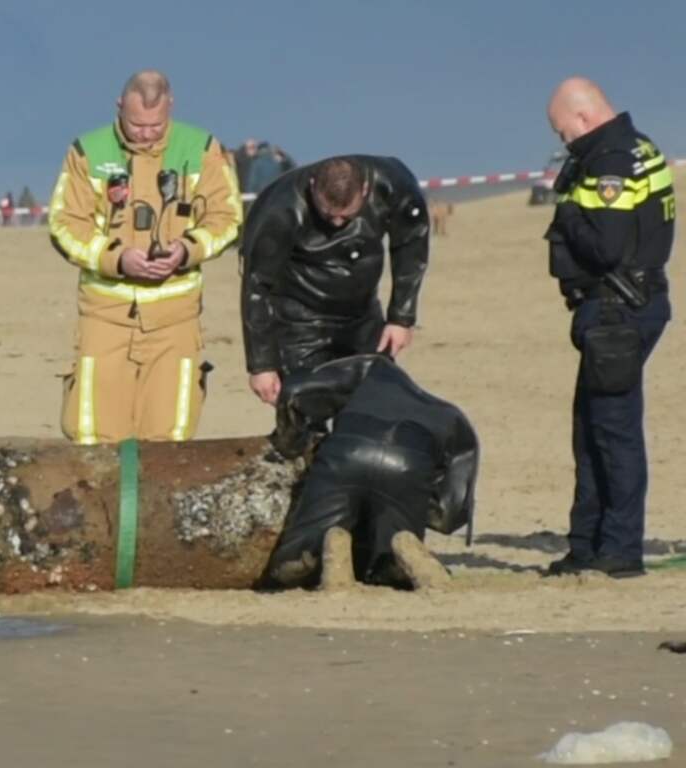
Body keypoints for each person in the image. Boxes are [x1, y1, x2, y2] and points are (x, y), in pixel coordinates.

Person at [47, 69, 242, 444]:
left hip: (176, 318)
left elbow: (228, 218)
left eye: (156, 125)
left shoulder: (201, 148)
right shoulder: (87, 151)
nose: (146, 134)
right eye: (136, 124)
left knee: (169, 441)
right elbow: (64, 225)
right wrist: (117, 259)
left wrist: (187, 250)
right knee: (93, 437)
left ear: (171, 107)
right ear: (119, 107)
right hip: (106, 315)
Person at [543, 77, 674, 578]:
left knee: (613, 432)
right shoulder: (634, 147)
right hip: (622, 309)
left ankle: (619, 552)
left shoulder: (613, 160)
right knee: (590, 429)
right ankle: (587, 545)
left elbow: (607, 247)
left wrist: (569, 211)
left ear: (582, 118)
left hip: (619, 312)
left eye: (562, 132)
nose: (563, 142)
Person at [262, 354, 478, 589]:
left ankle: (321, 551)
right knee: (386, 559)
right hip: (409, 463)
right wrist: (417, 504)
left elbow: (294, 392)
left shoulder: (372, 369)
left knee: (292, 561)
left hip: (347, 451)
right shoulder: (455, 417)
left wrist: (290, 447)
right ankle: (398, 561)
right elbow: (452, 510)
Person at [240, 155, 430, 406]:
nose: (337, 224)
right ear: (312, 185)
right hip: (299, 321)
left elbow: (411, 244)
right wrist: (262, 365)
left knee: (376, 402)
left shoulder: (394, 185)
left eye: (347, 217)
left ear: (365, 190)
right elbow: (256, 286)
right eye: (329, 216)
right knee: (304, 410)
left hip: (362, 315)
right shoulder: (279, 208)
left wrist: (401, 318)